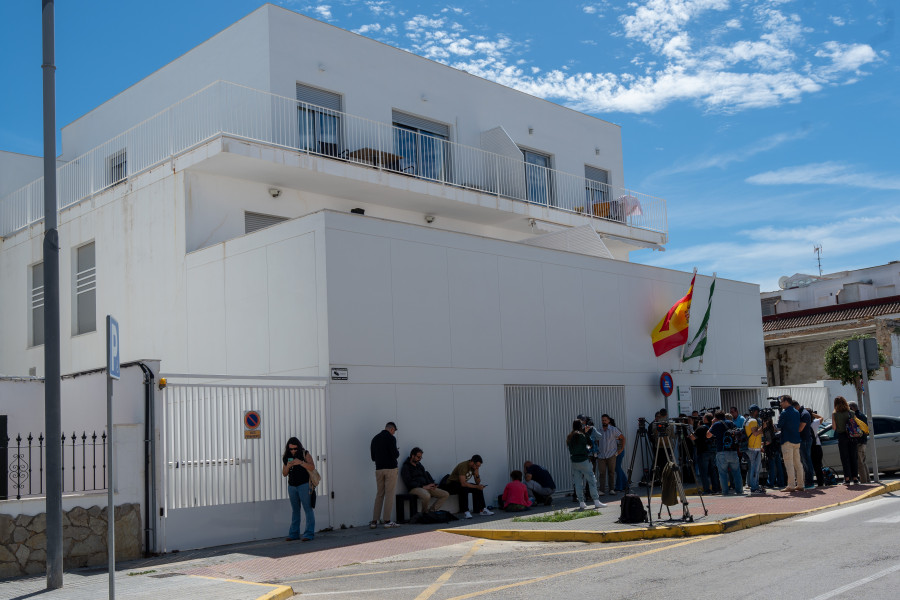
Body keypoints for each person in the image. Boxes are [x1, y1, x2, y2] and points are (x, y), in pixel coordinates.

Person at [282, 437, 316, 542]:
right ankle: (293, 534)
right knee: (295, 510)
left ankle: (309, 534)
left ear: (299, 447)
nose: (293, 451)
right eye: (291, 449)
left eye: (295, 449)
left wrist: (300, 462)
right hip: (292, 486)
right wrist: (288, 466)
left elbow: (312, 467)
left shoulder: (305, 454)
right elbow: (284, 474)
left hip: (304, 485)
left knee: (308, 509)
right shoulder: (286, 456)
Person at [567, 420, 606, 510]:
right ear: (581, 426)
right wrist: (587, 433)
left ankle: (581, 503)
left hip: (574, 461)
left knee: (578, 482)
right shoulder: (581, 435)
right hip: (584, 460)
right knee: (591, 480)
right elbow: (590, 444)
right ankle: (596, 501)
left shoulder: (569, 437)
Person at [370, 422, 401, 529]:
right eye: (394, 431)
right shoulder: (391, 439)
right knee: (389, 494)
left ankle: (374, 521)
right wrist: (397, 452)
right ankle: (387, 520)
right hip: (391, 469)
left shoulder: (375, 439)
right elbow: (395, 454)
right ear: (391, 429)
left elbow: (373, 457)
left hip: (379, 469)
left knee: (379, 494)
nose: (394, 433)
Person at [400, 447, 449, 515]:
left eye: (420, 457)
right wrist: (423, 486)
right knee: (426, 496)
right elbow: (409, 482)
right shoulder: (406, 467)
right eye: (418, 457)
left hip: (426, 487)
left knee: (445, 494)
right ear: (412, 456)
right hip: (415, 488)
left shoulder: (420, 465)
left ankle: (431, 511)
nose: (419, 459)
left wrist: (432, 484)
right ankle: (424, 513)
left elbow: (425, 476)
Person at [708, 411, 743, 495]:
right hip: (733, 451)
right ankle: (739, 491)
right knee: (737, 472)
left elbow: (708, 435)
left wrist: (712, 423)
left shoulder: (716, 424)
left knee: (723, 473)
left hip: (722, 452)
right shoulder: (731, 423)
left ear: (715, 418)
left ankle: (725, 492)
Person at [777, 396, 805, 492]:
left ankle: (791, 485)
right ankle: (800, 484)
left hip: (787, 440)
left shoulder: (784, 413)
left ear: (786, 402)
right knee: (798, 463)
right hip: (796, 440)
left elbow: (779, 426)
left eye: (781, 402)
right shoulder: (796, 412)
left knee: (789, 463)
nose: (780, 404)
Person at [832, 396, 859, 484]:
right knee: (853, 457)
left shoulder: (835, 414)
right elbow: (855, 425)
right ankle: (855, 478)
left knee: (845, 458)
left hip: (842, 436)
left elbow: (834, 428)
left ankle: (847, 478)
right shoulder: (851, 412)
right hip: (852, 436)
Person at [596, 414, 624, 496]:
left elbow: (622, 438)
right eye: (602, 420)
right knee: (602, 473)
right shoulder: (599, 430)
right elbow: (597, 441)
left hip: (611, 454)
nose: (603, 422)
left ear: (608, 421)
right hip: (601, 455)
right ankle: (602, 490)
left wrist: (620, 450)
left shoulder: (613, 429)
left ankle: (612, 489)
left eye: (605, 420)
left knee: (611, 472)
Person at [689, 413, 716, 494]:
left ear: (706, 419)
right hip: (712, 451)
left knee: (704, 472)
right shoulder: (713, 427)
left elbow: (692, 437)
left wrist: (692, 427)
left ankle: (707, 490)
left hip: (703, 452)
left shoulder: (701, 428)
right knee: (713, 472)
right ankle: (716, 488)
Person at [794, 401, 815, 490]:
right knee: (805, 461)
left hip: (805, 440)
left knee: (807, 461)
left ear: (795, 407)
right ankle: (808, 482)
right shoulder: (802, 413)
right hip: (804, 440)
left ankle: (810, 482)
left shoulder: (804, 414)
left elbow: (800, 428)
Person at [744, 405, 764, 494]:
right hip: (754, 448)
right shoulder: (753, 421)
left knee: (754, 467)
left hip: (752, 447)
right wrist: (764, 426)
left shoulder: (747, 420)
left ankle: (755, 485)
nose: (759, 413)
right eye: (757, 411)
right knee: (755, 468)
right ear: (754, 411)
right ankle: (754, 488)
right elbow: (755, 433)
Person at [762, 415, 785, 489]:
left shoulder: (767, 429)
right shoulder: (774, 427)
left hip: (771, 450)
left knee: (772, 468)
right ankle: (781, 483)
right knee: (779, 467)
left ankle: (770, 483)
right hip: (776, 449)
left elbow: (768, 441)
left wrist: (761, 444)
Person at [849, 402, 870, 483]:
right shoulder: (862, 415)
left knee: (860, 463)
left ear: (852, 408)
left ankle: (864, 481)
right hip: (864, 441)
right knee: (863, 462)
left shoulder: (856, 416)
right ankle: (867, 479)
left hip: (859, 442)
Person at [609, 416, 628, 491]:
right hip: (615, 452)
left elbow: (621, 440)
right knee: (618, 468)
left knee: (617, 468)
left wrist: (620, 450)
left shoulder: (615, 430)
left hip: (618, 451)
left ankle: (620, 486)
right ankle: (625, 484)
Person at [810, 411, 825, 487]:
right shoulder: (815, 423)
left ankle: (810, 482)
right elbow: (821, 418)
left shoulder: (803, 424)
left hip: (809, 446)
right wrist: (813, 414)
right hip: (817, 445)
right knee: (818, 465)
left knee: (810, 465)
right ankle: (820, 482)